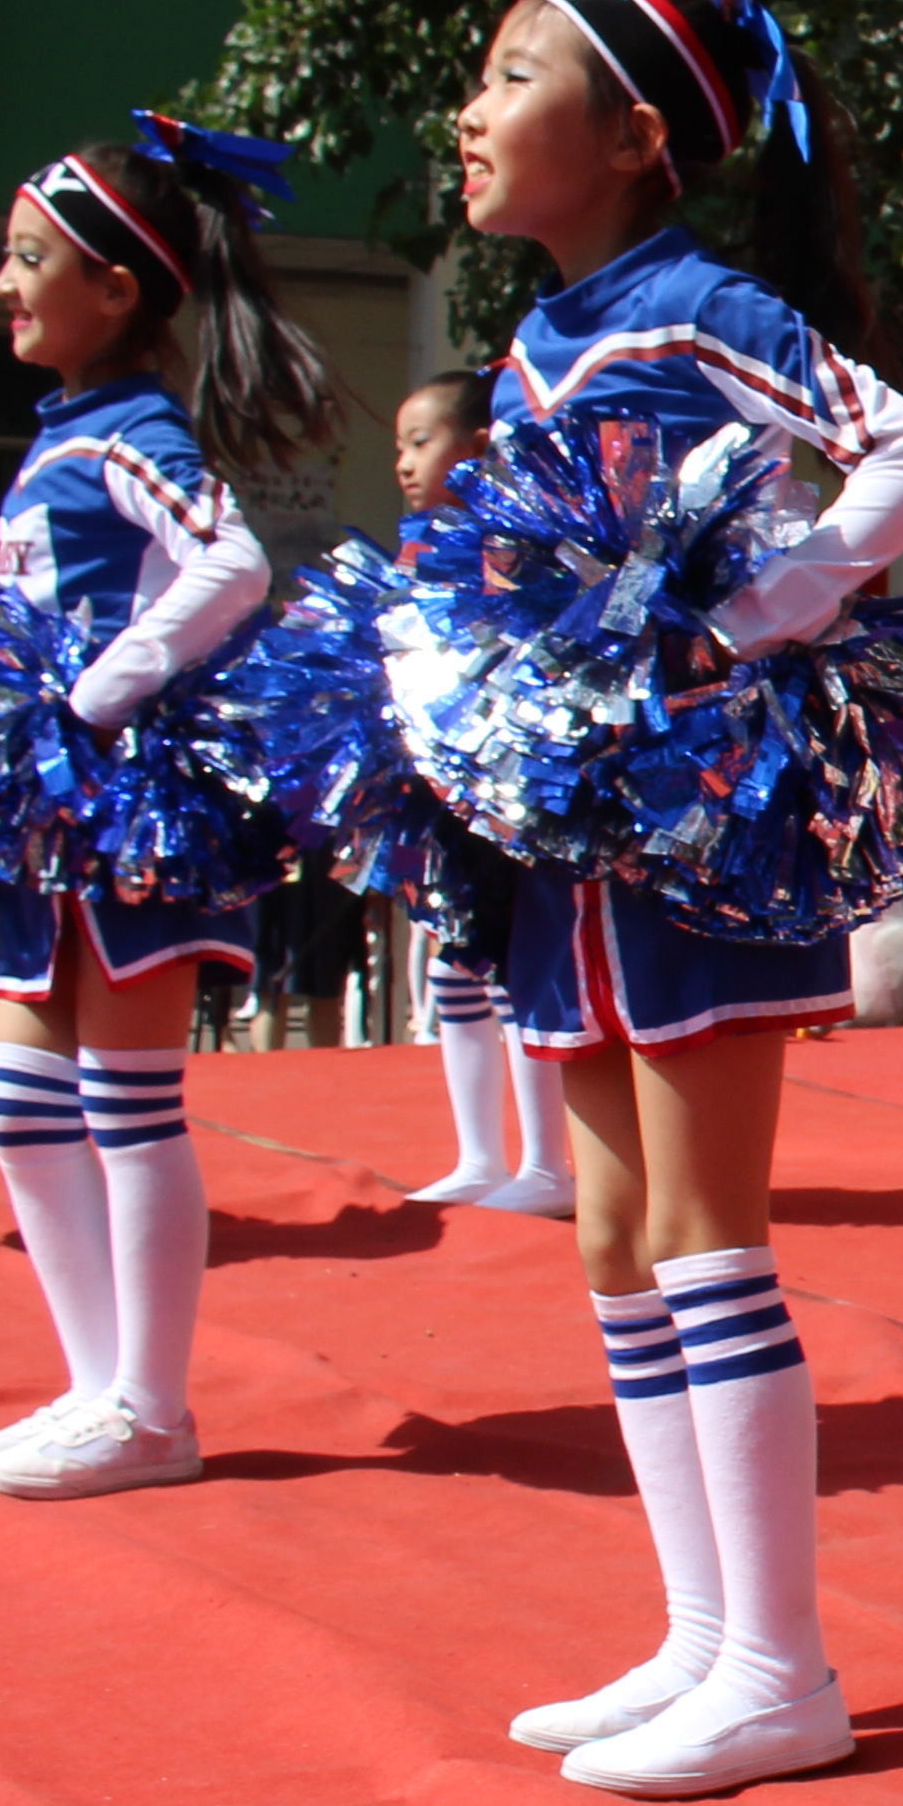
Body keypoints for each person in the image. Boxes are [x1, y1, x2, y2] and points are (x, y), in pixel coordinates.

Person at [460, 0, 903, 1797]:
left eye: (509, 76)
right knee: (610, 1237)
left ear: (631, 134)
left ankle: (782, 1665)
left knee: (703, 1225)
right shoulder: (536, 340)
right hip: (581, 820)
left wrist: (768, 606)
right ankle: (697, 1632)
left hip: (700, 819)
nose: (470, 109)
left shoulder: (694, 309)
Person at [0, 119, 348, 1501]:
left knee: (126, 1103)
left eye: (26, 259)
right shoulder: (72, 435)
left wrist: (98, 696)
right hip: (57, 814)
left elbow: (234, 561)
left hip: (131, 811)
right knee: (18, 1105)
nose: (2, 283)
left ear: (115, 290)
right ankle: (92, 1386)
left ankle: (152, 1409)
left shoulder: (137, 434)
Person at [389, 370, 575, 1213]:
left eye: (420, 442)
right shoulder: (413, 548)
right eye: (399, 446)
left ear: (477, 448)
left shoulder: (511, 538)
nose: (404, 462)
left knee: (510, 965)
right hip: (436, 791)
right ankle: (477, 1155)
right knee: (451, 965)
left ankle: (544, 1163)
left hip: (505, 788)